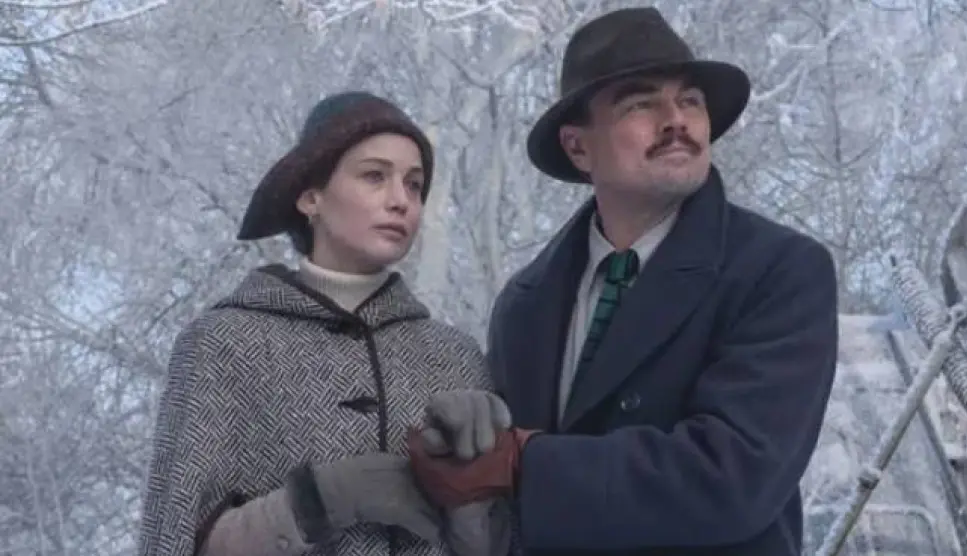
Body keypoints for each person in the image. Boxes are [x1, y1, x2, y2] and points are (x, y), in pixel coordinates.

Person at [405, 7, 839, 556]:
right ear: (578, 147)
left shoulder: (779, 271)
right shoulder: (523, 305)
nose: (675, 119)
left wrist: (523, 461)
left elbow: (731, 478)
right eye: (640, 104)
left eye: (690, 100)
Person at [135, 91, 510, 556]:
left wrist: (471, 488)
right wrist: (317, 501)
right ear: (311, 197)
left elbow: (497, 547)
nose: (401, 200)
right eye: (374, 176)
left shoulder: (454, 357)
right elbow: (170, 541)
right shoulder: (223, 344)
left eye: (414, 185)